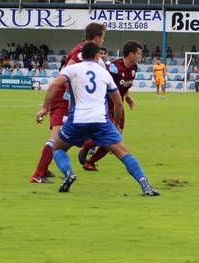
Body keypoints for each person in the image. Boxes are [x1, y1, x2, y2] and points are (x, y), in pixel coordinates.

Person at [36, 42, 159, 196]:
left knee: (58, 148)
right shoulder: (104, 73)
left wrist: (44, 108)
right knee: (123, 153)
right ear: (96, 56)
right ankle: (145, 185)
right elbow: (118, 103)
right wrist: (114, 125)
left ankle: (69, 173)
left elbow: (54, 84)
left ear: (82, 56)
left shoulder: (71, 69)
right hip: (101, 120)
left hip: (77, 120)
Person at [29, 22, 105, 183]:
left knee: (63, 138)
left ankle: (45, 168)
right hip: (62, 98)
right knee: (57, 138)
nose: (102, 41)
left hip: (64, 98)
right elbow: (64, 76)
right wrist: (71, 97)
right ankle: (38, 173)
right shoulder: (81, 52)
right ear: (97, 37)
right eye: (103, 37)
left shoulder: (83, 48)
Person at [80, 41, 141, 171]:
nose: (140, 56)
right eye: (138, 53)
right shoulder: (114, 68)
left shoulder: (134, 67)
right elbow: (103, 84)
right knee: (111, 136)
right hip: (106, 104)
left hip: (119, 105)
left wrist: (128, 96)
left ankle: (89, 162)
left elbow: (125, 86)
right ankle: (87, 146)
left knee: (116, 136)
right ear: (131, 54)